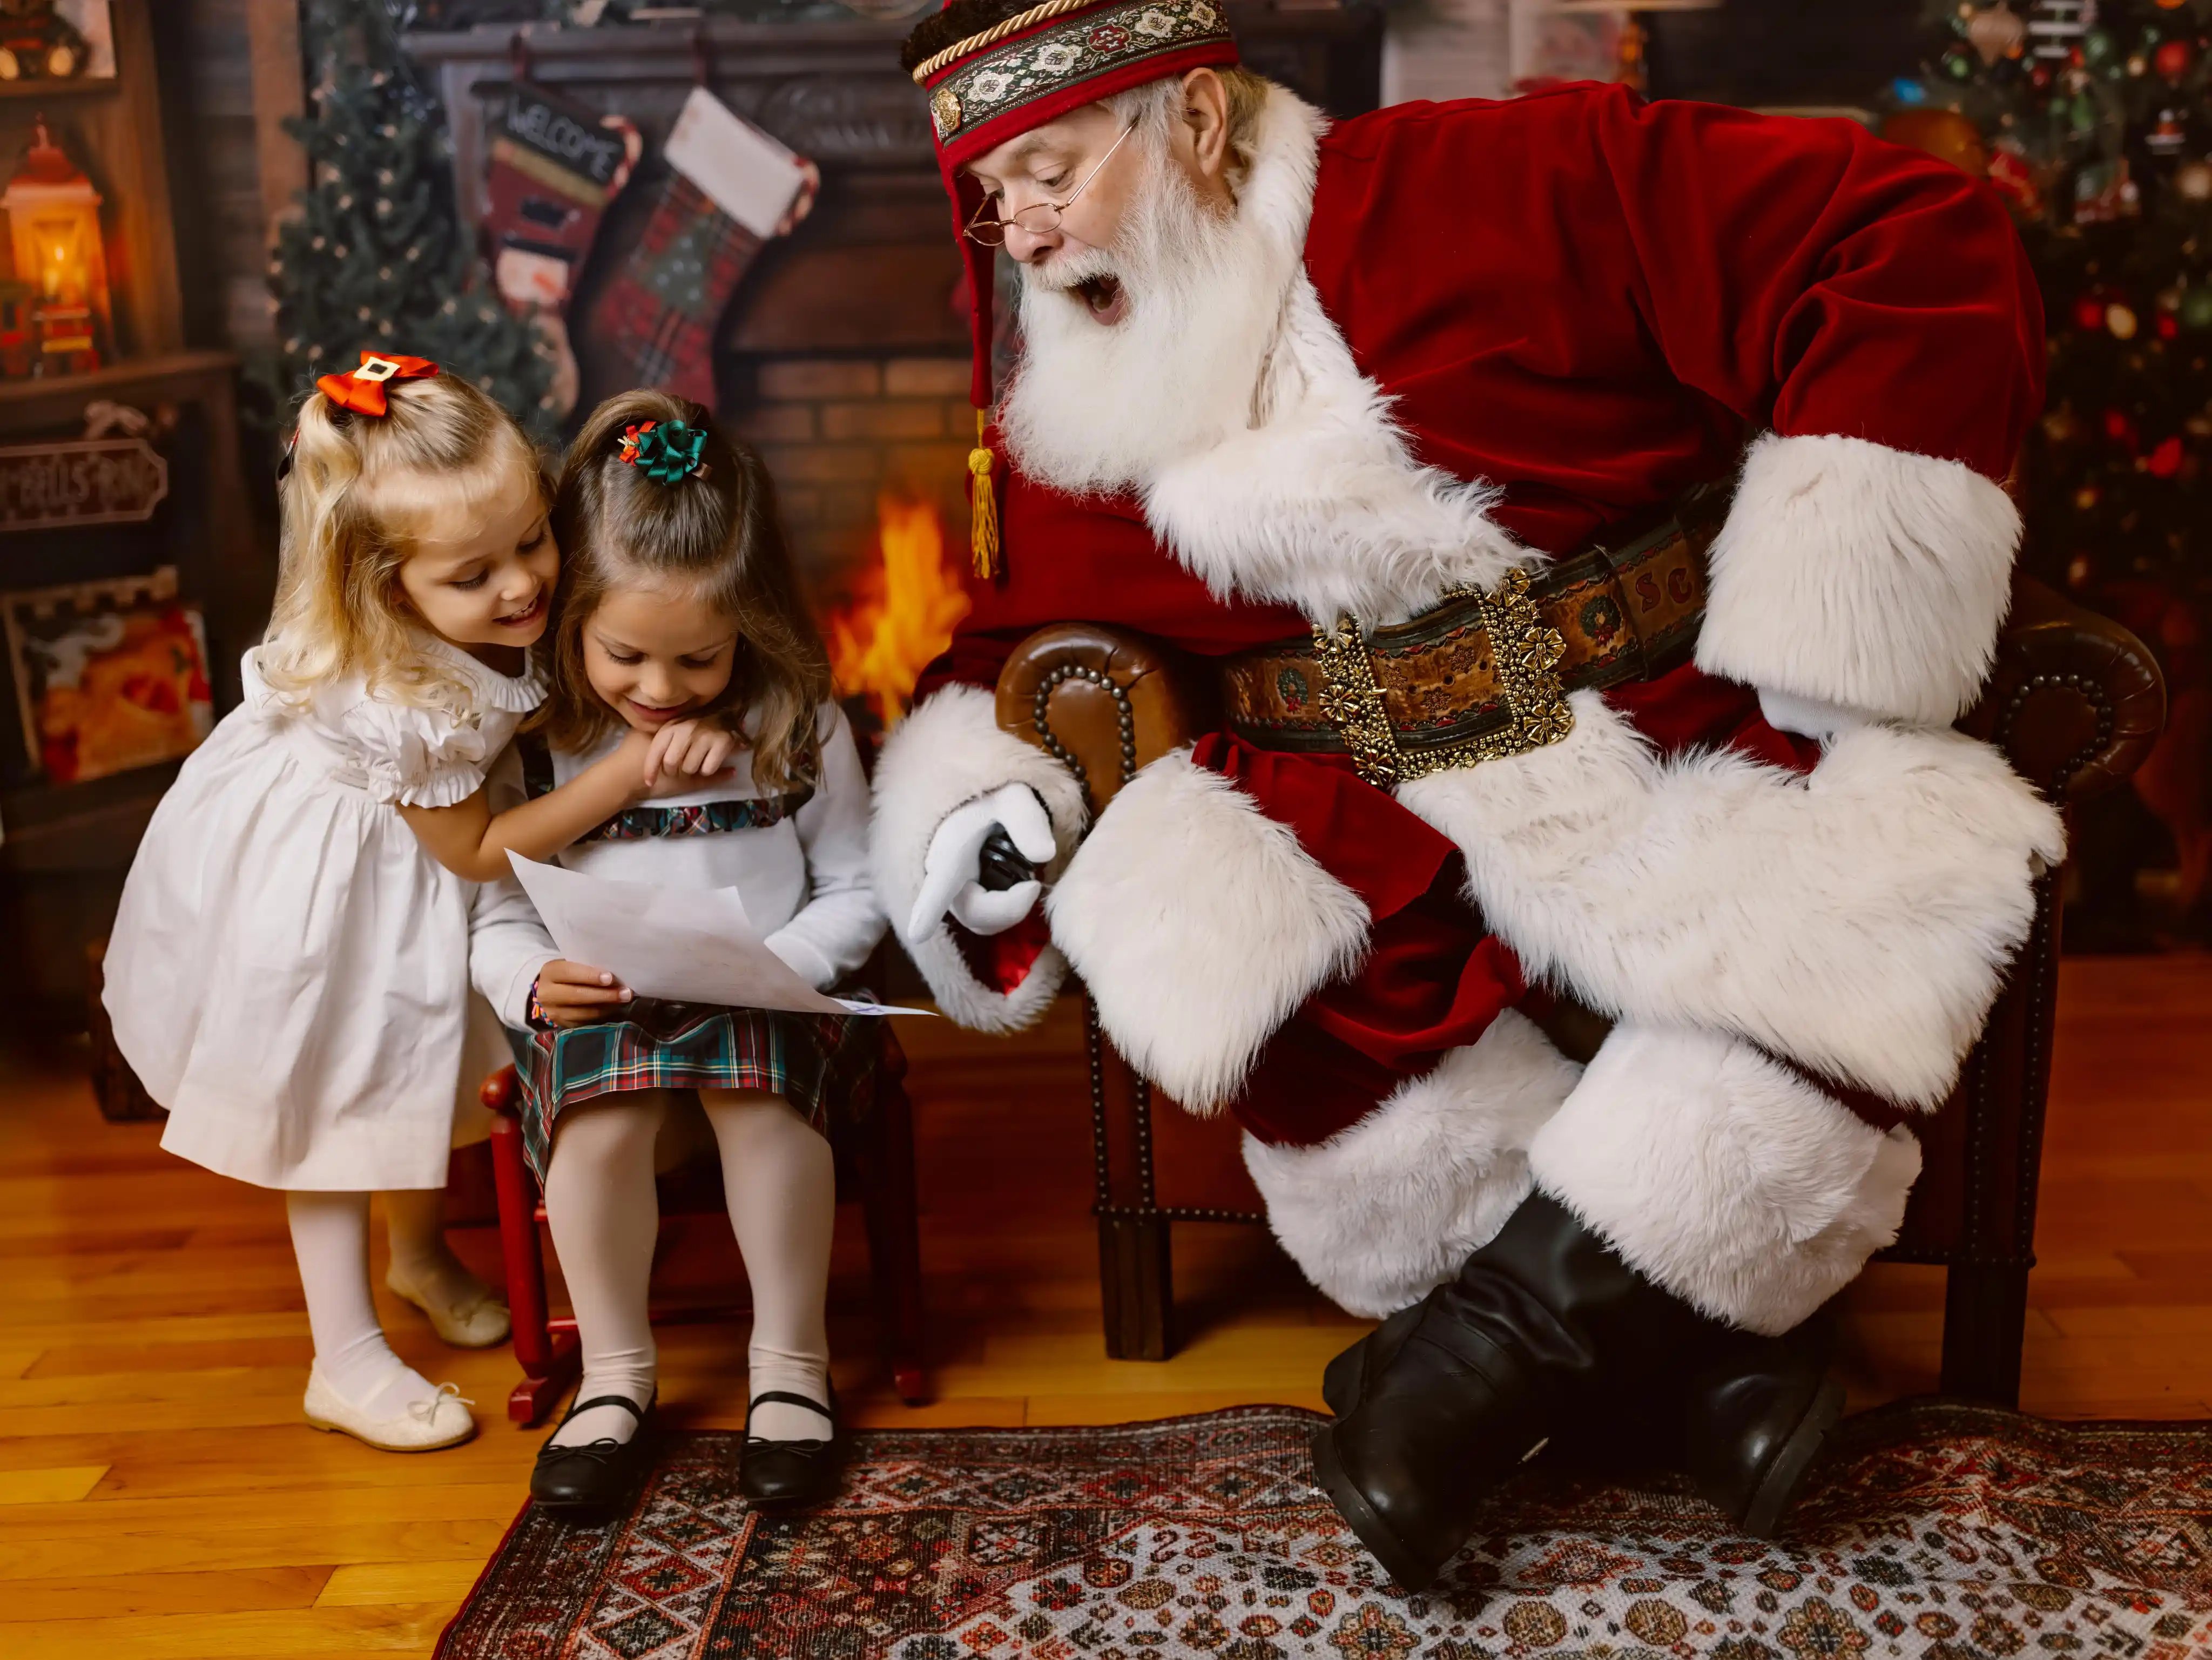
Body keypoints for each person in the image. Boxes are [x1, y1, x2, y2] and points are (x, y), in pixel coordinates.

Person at [874, 1, 2066, 1587]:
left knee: (1873, 901)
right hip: (1357, 804)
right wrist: (977, 797)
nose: (1014, 228)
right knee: (1251, 963)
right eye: (988, 197)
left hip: (1654, 725)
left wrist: (1841, 615)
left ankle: (1450, 1387)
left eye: (1047, 169)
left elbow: (1910, 231)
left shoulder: (1512, 170)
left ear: (1200, 127)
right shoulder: (1078, 382)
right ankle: (1688, 1374)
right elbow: (1011, 643)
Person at [103, 354, 729, 1452]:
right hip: (324, 875)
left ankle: (418, 1254)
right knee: (336, 1092)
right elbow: (479, 848)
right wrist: (623, 774)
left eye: (533, 540)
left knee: (415, 1063)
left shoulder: (478, 612)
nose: (524, 586)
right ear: (389, 589)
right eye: (475, 574)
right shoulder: (398, 692)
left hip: (410, 859)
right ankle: (339, 1355)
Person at [495, 392, 886, 1517]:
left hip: (764, 992)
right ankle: (614, 1376)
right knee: (601, 1124)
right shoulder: (545, 742)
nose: (660, 691)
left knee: (759, 1105)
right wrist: (528, 981)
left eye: (698, 660)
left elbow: (857, 886)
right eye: (626, 655)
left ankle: (789, 1367)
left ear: (749, 629)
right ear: (569, 616)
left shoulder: (796, 725)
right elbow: (492, 906)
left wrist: (783, 963)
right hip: (600, 1005)